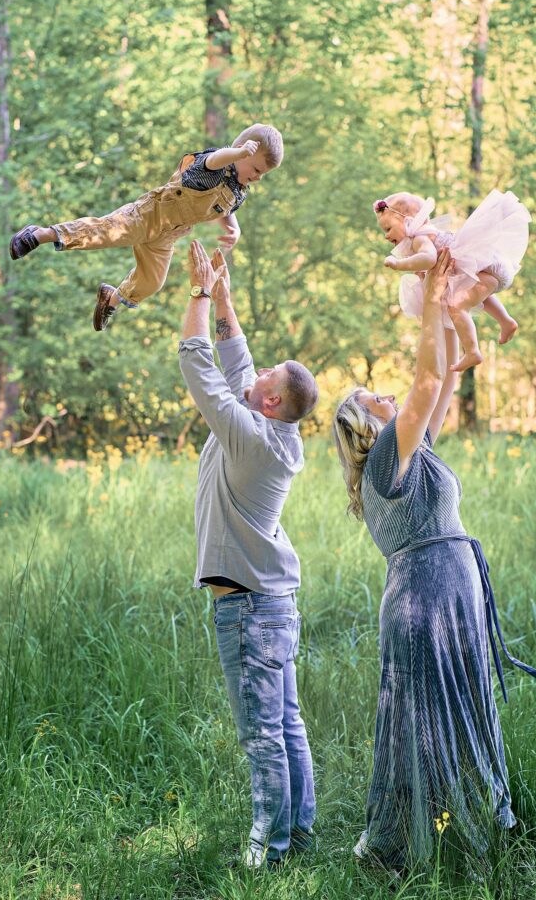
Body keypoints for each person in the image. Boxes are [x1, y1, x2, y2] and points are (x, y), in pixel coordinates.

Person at [332, 249, 536, 871]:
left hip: (448, 593)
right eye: (373, 398)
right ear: (364, 427)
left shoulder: (411, 451)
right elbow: (425, 381)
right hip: (425, 603)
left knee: (463, 707)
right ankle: (411, 844)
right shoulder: (386, 460)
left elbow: (443, 377)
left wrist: (444, 302)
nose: (387, 393)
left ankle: (474, 823)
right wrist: (432, 313)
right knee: (424, 727)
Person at [178, 240, 317, 869]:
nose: (256, 372)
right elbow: (238, 366)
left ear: (269, 402)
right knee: (286, 723)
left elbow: (199, 365)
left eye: (266, 378)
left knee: (262, 733)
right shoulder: (271, 429)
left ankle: (269, 850)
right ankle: (301, 831)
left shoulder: (250, 436)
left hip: (249, 610)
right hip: (274, 602)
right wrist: (227, 299)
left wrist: (200, 298)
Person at [8, 123, 283, 331]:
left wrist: (232, 225)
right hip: (150, 213)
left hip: (168, 235)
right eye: (257, 169)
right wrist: (236, 152)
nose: (258, 178)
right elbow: (215, 159)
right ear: (244, 152)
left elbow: (226, 206)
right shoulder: (212, 165)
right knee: (104, 231)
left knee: (153, 281)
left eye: (263, 175)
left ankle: (111, 299)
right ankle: (40, 234)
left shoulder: (238, 190)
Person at [374, 189, 530, 371]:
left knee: (456, 305)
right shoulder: (426, 234)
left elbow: (429, 259)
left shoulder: (420, 239)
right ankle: (506, 321)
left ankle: (472, 352)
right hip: (488, 270)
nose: (386, 236)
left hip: (487, 268)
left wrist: (398, 264)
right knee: (476, 295)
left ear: (407, 221)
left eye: (388, 229)